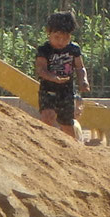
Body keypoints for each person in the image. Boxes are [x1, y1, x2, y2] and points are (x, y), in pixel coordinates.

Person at [34, 11, 92, 143]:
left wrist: (83, 80)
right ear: (49, 34)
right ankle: (44, 143)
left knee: (66, 122)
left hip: (66, 91)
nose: (61, 42)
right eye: (57, 37)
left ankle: (72, 147)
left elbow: (79, 67)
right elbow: (40, 69)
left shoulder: (73, 49)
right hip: (47, 89)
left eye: (65, 38)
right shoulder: (44, 50)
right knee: (47, 117)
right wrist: (53, 78)